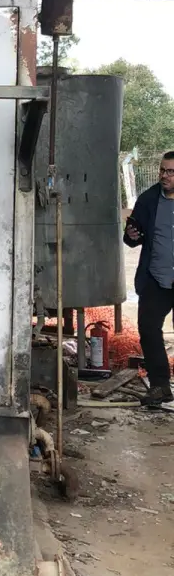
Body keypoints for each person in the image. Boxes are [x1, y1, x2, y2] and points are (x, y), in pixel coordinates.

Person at [124, 151, 174, 409]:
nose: (164, 176)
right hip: (155, 278)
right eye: (162, 170)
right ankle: (160, 385)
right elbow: (132, 237)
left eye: (170, 172)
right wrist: (132, 233)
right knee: (148, 329)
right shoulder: (148, 200)